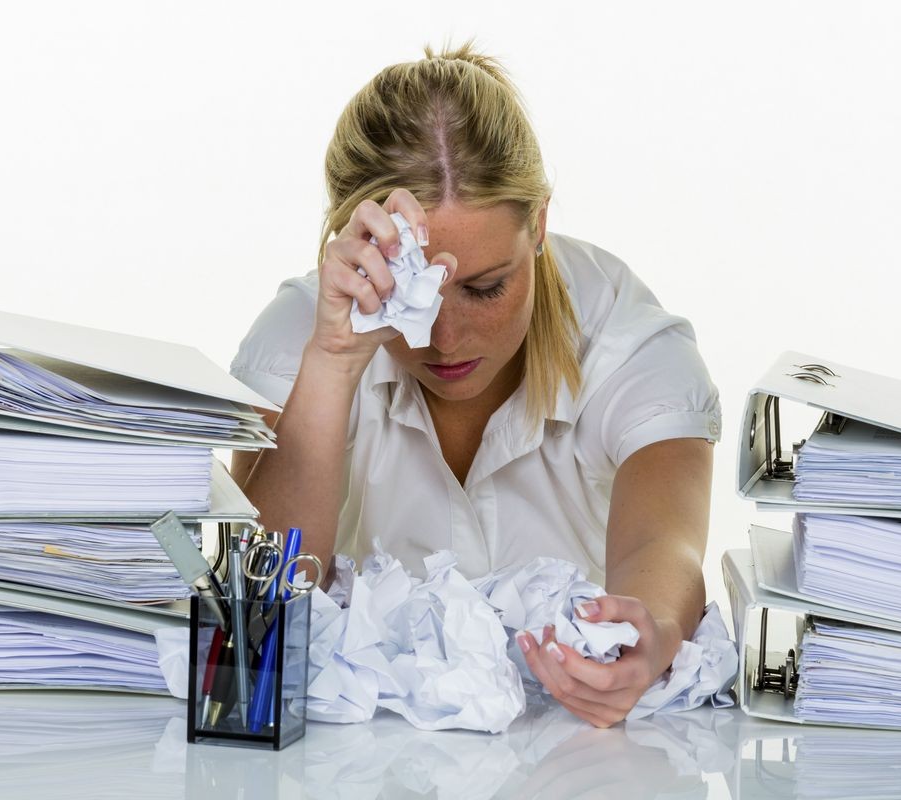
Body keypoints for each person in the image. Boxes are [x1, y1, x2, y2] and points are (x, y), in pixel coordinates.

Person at [230, 43, 721, 728]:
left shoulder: (628, 341)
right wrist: (333, 364)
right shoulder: (300, 340)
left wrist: (652, 633)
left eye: (485, 288)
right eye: (416, 296)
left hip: (575, 756)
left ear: (540, 223)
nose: (447, 339)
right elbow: (254, 618)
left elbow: (664, 545)